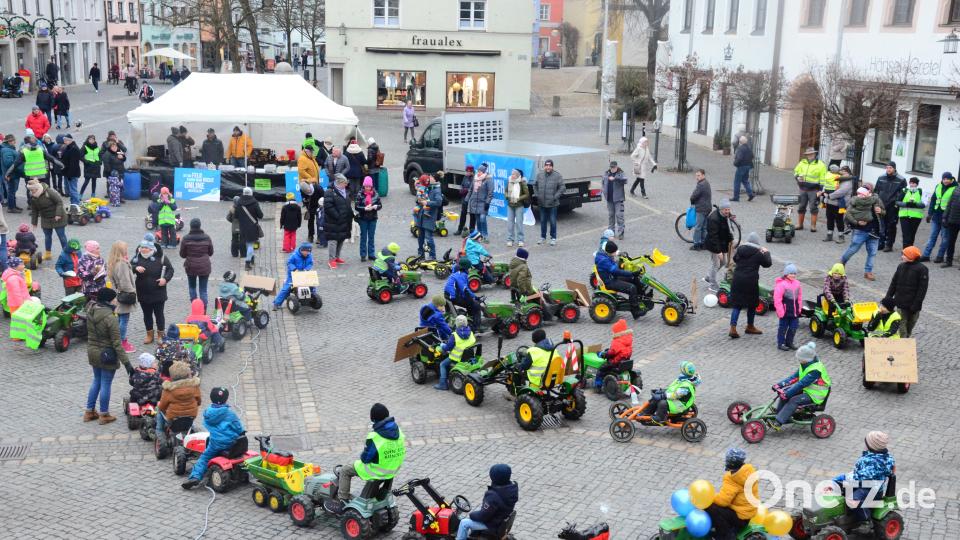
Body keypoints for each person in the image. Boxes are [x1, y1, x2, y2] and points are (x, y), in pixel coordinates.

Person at [334, 403, 405, 501]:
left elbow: (365, 459)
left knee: (345, 470)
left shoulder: (375, 436)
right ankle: (374, 495)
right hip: (393, 468)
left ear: (373, 419)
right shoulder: (399, 432)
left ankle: (342, 498)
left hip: (378, 470)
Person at [84, 287, 132, 425]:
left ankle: (89, 411)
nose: (116, 300)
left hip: (92, 350)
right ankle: (104, 414)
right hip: (106, 354)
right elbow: (117, 344)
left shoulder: (90, 310)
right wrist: (127, 364)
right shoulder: (110, 318)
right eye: (114, 298)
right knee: (105, 383)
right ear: (108, 301)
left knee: (96, 380)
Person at [181, 387, 246, 489]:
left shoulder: (208, 414)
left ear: (211, 398)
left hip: (216, 443)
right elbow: (239, 428)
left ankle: (195, 477)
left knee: (204, 457)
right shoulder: (230, 414)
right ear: (226, 399)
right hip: (231, 443)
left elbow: (206, 424)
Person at [832, 432, 895, 523]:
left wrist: (841, 478)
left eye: (866, 443)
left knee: (851, 500)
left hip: (871, 490)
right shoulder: (885, 458)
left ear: (871, 446)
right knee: (843, 489)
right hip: (868, 485)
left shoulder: (872, 461)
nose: (864, 445)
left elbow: (858, 477)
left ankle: (865, 520)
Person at [771, 342, 831, 428]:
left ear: (807, 359)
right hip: (808, 389)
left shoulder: (815, 370)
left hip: (816, 395)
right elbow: (795, 377)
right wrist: (780, 385)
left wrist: (787, 394)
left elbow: (801, 384)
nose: (798, 360)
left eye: (800, 359)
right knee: (785, 392)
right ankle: (779, 413)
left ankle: (779, 421)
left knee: (794, 400)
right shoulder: (805, 364)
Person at [703, 449, 759, 540]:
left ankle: (726, 535)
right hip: (748, 514)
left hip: (739, 517)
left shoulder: (733, 478)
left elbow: (723, 501)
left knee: (711, 507)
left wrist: (709, 497)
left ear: (730, 462)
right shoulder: (749, 472)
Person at [456, 464, 519, 540]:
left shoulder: (493, 496)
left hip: (492, 524)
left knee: (464, 523)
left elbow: (483, 516)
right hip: (500, 519)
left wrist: (471, 515)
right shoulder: (512, 490)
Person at [728, 232, 772, 338]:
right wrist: (766, 252)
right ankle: (750, 326)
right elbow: (767, 264)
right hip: (750, 281)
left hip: (737, 279)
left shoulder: (740, 250)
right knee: (752, 304)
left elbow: (735, 259)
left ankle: (733, 328)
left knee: (737, 305)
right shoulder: (758, 253)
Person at [132, 238, 174, 345]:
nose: (142, 249)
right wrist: (135, 268)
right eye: (141, 247)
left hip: (158, 292)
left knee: (159, 314)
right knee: (147, 315)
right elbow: (129, 267)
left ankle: (161, 335)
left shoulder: (161, 257)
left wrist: (165, 279)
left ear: (151, 248)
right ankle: (149, 334)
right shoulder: (137, 258)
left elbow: (170, 270)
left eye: (145, 248)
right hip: (143, 292)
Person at [882, 246, 927, 338]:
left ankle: (906, 338)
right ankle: (904, 343)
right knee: (901, 324)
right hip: (900, 303)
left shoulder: (922, 269)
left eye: (904, 255)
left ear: (911, 256)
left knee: (911, 324)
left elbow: (922, 289)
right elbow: (894, 283)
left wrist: (917, 304)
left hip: (914, 304)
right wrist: (888, 297)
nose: (902, 256)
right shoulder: (901, 266)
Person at [841, 185, 885, 280]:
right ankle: (841, 263)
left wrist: (881, 211)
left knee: (872, 253)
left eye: (868, 189)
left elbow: (884, 212)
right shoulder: (856, 200)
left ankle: (868, 272)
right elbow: (847, 214)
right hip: (860, 230)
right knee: (853, 249)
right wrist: (857, 222)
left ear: (871, 191)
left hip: (874, 231)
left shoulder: (877, 200)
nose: (865, 191)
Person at [594, 240, 642, 319]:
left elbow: (614, 252)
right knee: (631, 287)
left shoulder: (605, 253)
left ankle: (639, 298)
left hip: (611, 276)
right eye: (614, 252)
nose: (615, 253)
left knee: (634, 278)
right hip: (609, 281)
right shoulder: (604, 260)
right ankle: (635, 311)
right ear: (609, 252)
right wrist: (631, 273)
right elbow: (615, 271)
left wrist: (621, 254)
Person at [107, 240, 137, 353]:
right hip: (125, 295)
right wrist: (132, 291)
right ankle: (122, 342)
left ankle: (117, 341)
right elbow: (125, 282)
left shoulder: (112, 262)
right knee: (124, 320)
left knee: (120, 319)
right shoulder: (122, 264)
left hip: (118, 294)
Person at [920, 172, 957, 263]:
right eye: (944, 179)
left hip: (947, 218)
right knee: (932, 237)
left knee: (944, 238)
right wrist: (929, 213)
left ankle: (940, 256)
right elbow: (933, 200)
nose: (946, 181)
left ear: (951, 179)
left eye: (948, 179)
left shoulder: (955, 188)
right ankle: (926, 255)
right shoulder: (938, 186)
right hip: (936, 216)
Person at [433, 315, 477, 391]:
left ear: (456, 324)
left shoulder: (454, 335)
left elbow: (448, 348)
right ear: (466, 323)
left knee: (442, 364)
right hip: (468, 356)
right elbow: (473, 341)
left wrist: (442, 345)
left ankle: (443, 384)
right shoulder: (471, 333)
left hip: (456, 357)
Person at [26, 181, 67, 259]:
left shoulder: (49, 191)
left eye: (32, 190)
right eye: (30, 190)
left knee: (61, 236)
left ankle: (66, 254)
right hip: (45, 218)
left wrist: (58, 214)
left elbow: (59, 202)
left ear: (36, 188)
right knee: (47, 236)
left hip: (57, 217)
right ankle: (48, 254)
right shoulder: (33, 197)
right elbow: (34, 210)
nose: (31, 192)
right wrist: (34, 222)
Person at [180, 218, 214, 308]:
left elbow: (182, 254)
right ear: (200, 226)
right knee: (203, 289)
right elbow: (211, 252)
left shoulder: (186, 238)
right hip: (204, 266)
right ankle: (203, 309)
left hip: (191, 266)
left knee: (192, 287)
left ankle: (195, 308)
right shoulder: (207, 237)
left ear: (191, 226)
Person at [592, 319, 633, 390]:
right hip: (625, 360)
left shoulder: (617, 341)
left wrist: (602, 354)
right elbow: (618, 350)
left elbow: (611, 353)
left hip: (616, 362)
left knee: (601, 369)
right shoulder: (628, 338)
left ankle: (598, 385)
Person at [875, 162, 906, 252]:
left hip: (893, 206)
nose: (888, 169)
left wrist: (896, 202)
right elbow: (876, 190)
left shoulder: (901, 179)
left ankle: (889, 244)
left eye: (890, 168)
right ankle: (881, 242)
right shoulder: (881, 178)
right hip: (881, 204)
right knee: (881, 224)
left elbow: (902, 193)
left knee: (891, 225)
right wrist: (876, 202)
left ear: (894, 169)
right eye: (887, 168)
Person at [793, 147, 827, 232]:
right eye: (808, 154)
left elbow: (823, 178)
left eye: (811, 154)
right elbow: (796, 171)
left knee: (813, 207)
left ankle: (813, 226)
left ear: (815, 154)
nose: (810, 155)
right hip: (802, 188)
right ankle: (800, 224)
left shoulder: (821, 165)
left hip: (814, 190)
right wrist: (797, 177)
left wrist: (821, 190)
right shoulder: (802, 163)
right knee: (801, 206)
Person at [273, 243, 315, 310]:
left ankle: (311, 299)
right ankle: (277, 303)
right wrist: (294, 269)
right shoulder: (294, 255)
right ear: (302, 250)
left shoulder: (309, 256)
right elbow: (289, 263)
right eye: (306, 251)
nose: (307, 253)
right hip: (293, 275)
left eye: (309, 252)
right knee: (286, 288)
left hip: (304, 274)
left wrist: (306, 269)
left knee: (312, 285)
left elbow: (310, 263)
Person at [704, 199, 735, 291]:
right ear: (721, 209)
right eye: (726, 210)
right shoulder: (713, 219)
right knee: (716, 264)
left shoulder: (725, 215)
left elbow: (726, 227)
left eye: (728, 209)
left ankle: (709, 276)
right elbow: (713, 237)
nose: (728, 211)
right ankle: (712, 284)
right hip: (713, 245)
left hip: (721, 243)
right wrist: (718, 252)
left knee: (723, 262)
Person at [230, 186, 263, 270]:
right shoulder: (254, 203)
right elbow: (260, 215)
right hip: (252, 227)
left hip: (242, 227)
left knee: (247, 244)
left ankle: (251, 259)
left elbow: (236, 216)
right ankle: (247, 263)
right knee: (250, 245)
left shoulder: (239, 203)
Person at [445, 258, 483, 330]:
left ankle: (471, 317)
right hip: (453, 297)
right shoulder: (462, 275)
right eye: (469, 268)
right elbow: (465, 289)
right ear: (466, 268)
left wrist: (473, 297)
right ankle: (476, 326)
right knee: (477, 306)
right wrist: (475, 298)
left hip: (448, 295)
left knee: (470, 302)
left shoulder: (456, 271)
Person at [324, 174, 353, 269]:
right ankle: (331, 260)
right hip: (333, 222)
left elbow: (347, 205)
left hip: (344, 221)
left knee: (341, 238)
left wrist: (351, 215)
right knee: (333, 240)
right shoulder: (329, 192)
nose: (346, 185)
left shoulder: (345, 191)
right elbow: (328, 207)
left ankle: (337, 257)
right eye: (345, 183)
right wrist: (337, 216)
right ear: (339, 183)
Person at [822, 165, 855, 243]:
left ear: (848, 173)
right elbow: (827, 184)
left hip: (839, 205)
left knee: (839, 220)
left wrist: (829, 195)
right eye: (842, 171)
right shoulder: (835, 177)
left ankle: (841, 236)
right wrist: (825, 192)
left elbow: (842, 191)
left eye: (845, 172)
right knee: (829, 218)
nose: (843, 173)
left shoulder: (848, 181)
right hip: (830, 202)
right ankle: (829, 234)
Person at [534, 159, 564, 246]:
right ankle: (543, 237)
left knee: (552, 221)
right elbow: (535, 185)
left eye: (550, 165)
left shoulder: (557, 175)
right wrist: (537, 195)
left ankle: (553, 238)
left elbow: (562, 187)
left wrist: (555, 197)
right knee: (543, 221)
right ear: (544, 166)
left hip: (553, 204)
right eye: (546, 165)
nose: (548, 167)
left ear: (552, 166)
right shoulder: (540, 175)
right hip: (542, 203)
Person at [773, 263, 802, 352]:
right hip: (785, 312)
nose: (793, 275)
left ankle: (789, 342)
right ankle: (781, 343)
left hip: (794, 311)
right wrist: (780, 311)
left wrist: (799, 308)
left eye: (794, 273)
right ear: (786, 274)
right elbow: (777, 299)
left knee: (793, 327)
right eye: (791, 273)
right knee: (783, 328)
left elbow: (800, 297)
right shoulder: (781, 285)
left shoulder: (797, 284)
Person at [414, 174, 442, 261]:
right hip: (421, 216)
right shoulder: (425, 187)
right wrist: (418, 199)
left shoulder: (437, 190)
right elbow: (418, 200)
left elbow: (438, 202)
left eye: (431, 178)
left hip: (429, 217)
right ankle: (420, 254)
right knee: (420, 237)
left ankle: (432, 256)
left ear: (434, 180)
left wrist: (427, 203)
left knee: (429, 238)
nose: (429, 179)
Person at [297, 145, 321, 244]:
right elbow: (301, 171)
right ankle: (311, 235)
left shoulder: (311, 158)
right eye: (311, 152)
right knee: (311, 213)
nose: (313, 153)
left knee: (319, 213)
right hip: (308, 187)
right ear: (307, 151)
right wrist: (312, 179)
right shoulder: (303, 159)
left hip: (315, 187)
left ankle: (320, 236)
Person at [355, 176, 382, 261]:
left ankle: (371, 254)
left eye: (369, 186)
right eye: (366, 186)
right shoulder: (360, 194)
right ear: (364, 186)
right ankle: (363, 255)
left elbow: (380, 205)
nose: (367, 188)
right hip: (363, 218)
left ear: (371, 186)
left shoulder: (375, 194)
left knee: (371, 237)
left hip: (373, 218)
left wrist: (375, 206)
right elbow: (356, 206)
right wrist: (364, 208)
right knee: (363, 237)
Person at [466, 164, 494, 242]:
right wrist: (467, 199)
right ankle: (480, 235)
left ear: (484, 172)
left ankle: (485, 235)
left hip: (483, 203)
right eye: (478, 171)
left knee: (482, 218)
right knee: (478, 220)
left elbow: (490, 193)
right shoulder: (475, 178)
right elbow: (471, 190)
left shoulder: (488, 179)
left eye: (480, 171)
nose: (478, 172)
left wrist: (487, 202)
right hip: (474, 202)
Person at [602, 161, 628, 240]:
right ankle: (611, 233)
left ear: (616, 167)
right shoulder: (606, 173)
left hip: (618, 199)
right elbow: (603, 183)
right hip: (609, 199)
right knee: (611, 216)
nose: (612, 169)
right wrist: (603, 191)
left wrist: (615, 178)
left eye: (614, 167)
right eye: (611, 167)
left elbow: (625, 180)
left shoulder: (620, 173)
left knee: (619, 215)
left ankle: (621, 233)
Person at [896, 177, 924, 249]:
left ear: (917, 184)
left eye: (914, 183)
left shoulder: (921, 191)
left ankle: (910, 251)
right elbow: (898, 202)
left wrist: (915, 204)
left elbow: (924, 204)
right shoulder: (904, 191)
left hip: (916, 216)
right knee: (905, 234)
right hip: (904, 215)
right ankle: (905, 251)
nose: (912, 184)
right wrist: (907, 204)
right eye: (911, 183)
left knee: (912, 234)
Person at [505, 168, 529, 247]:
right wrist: (507, 196)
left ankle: (520, 240)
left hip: (519, 206)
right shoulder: (509, 181)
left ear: (518, 175)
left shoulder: (522, 183)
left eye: (514, 174)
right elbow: (505, 191)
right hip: (510, 205)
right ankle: (510, 239)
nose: (512, 175)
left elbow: (526, 194)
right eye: (512, 174)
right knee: (510, 223)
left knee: (519, 223)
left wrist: (518, 198)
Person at [689, 169, 712, 250]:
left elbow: (694, 196)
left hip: (701, 208)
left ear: (703, 175)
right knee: (704, 227)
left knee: (698, 227)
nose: (697, 177)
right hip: (708, 208)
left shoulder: (701, 185)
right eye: (696, 175)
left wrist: (692, 201)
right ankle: (704, 243)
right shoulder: (706, 183)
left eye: (698, 175)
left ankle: (696, 244)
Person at [58, 133, 81, 204]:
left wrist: (70, 175)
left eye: (65, 140)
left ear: (70, 140)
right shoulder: (69, 147)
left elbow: (73, 164)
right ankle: (73, 204)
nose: (64, 141)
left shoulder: (73, 149)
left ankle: (76, 204)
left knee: (73, 190)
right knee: (71, 190)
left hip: (72, 174)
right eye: (64, 140)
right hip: (69, 173)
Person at [731, 136, 755, 202]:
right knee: (745, 180)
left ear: (740, 142)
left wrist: (735, 163)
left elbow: (739, 158)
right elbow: (752, 156)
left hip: (741, 166)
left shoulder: (740, 149)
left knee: (737, 182)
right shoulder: (748, 148)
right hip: (748, 166)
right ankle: (750, 194)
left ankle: (736, 197)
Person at [1, 134, 22, 212]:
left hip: (12, 174)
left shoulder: (8, 149)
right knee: (11, 191)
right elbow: (8, 163)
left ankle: (13, 206)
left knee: (12, 190)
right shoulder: (7, 150)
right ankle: (11, 207)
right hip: (11, 174)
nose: (15, 142)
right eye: (14, 141)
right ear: (9, 141)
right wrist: (18, 163)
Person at [455, 166, 475, 237]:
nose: (467, 173)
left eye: (468, 171)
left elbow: (471, 189)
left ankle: (472, 231)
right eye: (466, 171)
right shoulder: (465, 177)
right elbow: (462, 185)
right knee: (463, 213)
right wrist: (461, 190)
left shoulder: (474, 178)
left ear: (472, 172)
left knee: (472, 215)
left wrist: (465, 190)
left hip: (471, 198)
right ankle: (460, 229)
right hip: (464, 198)